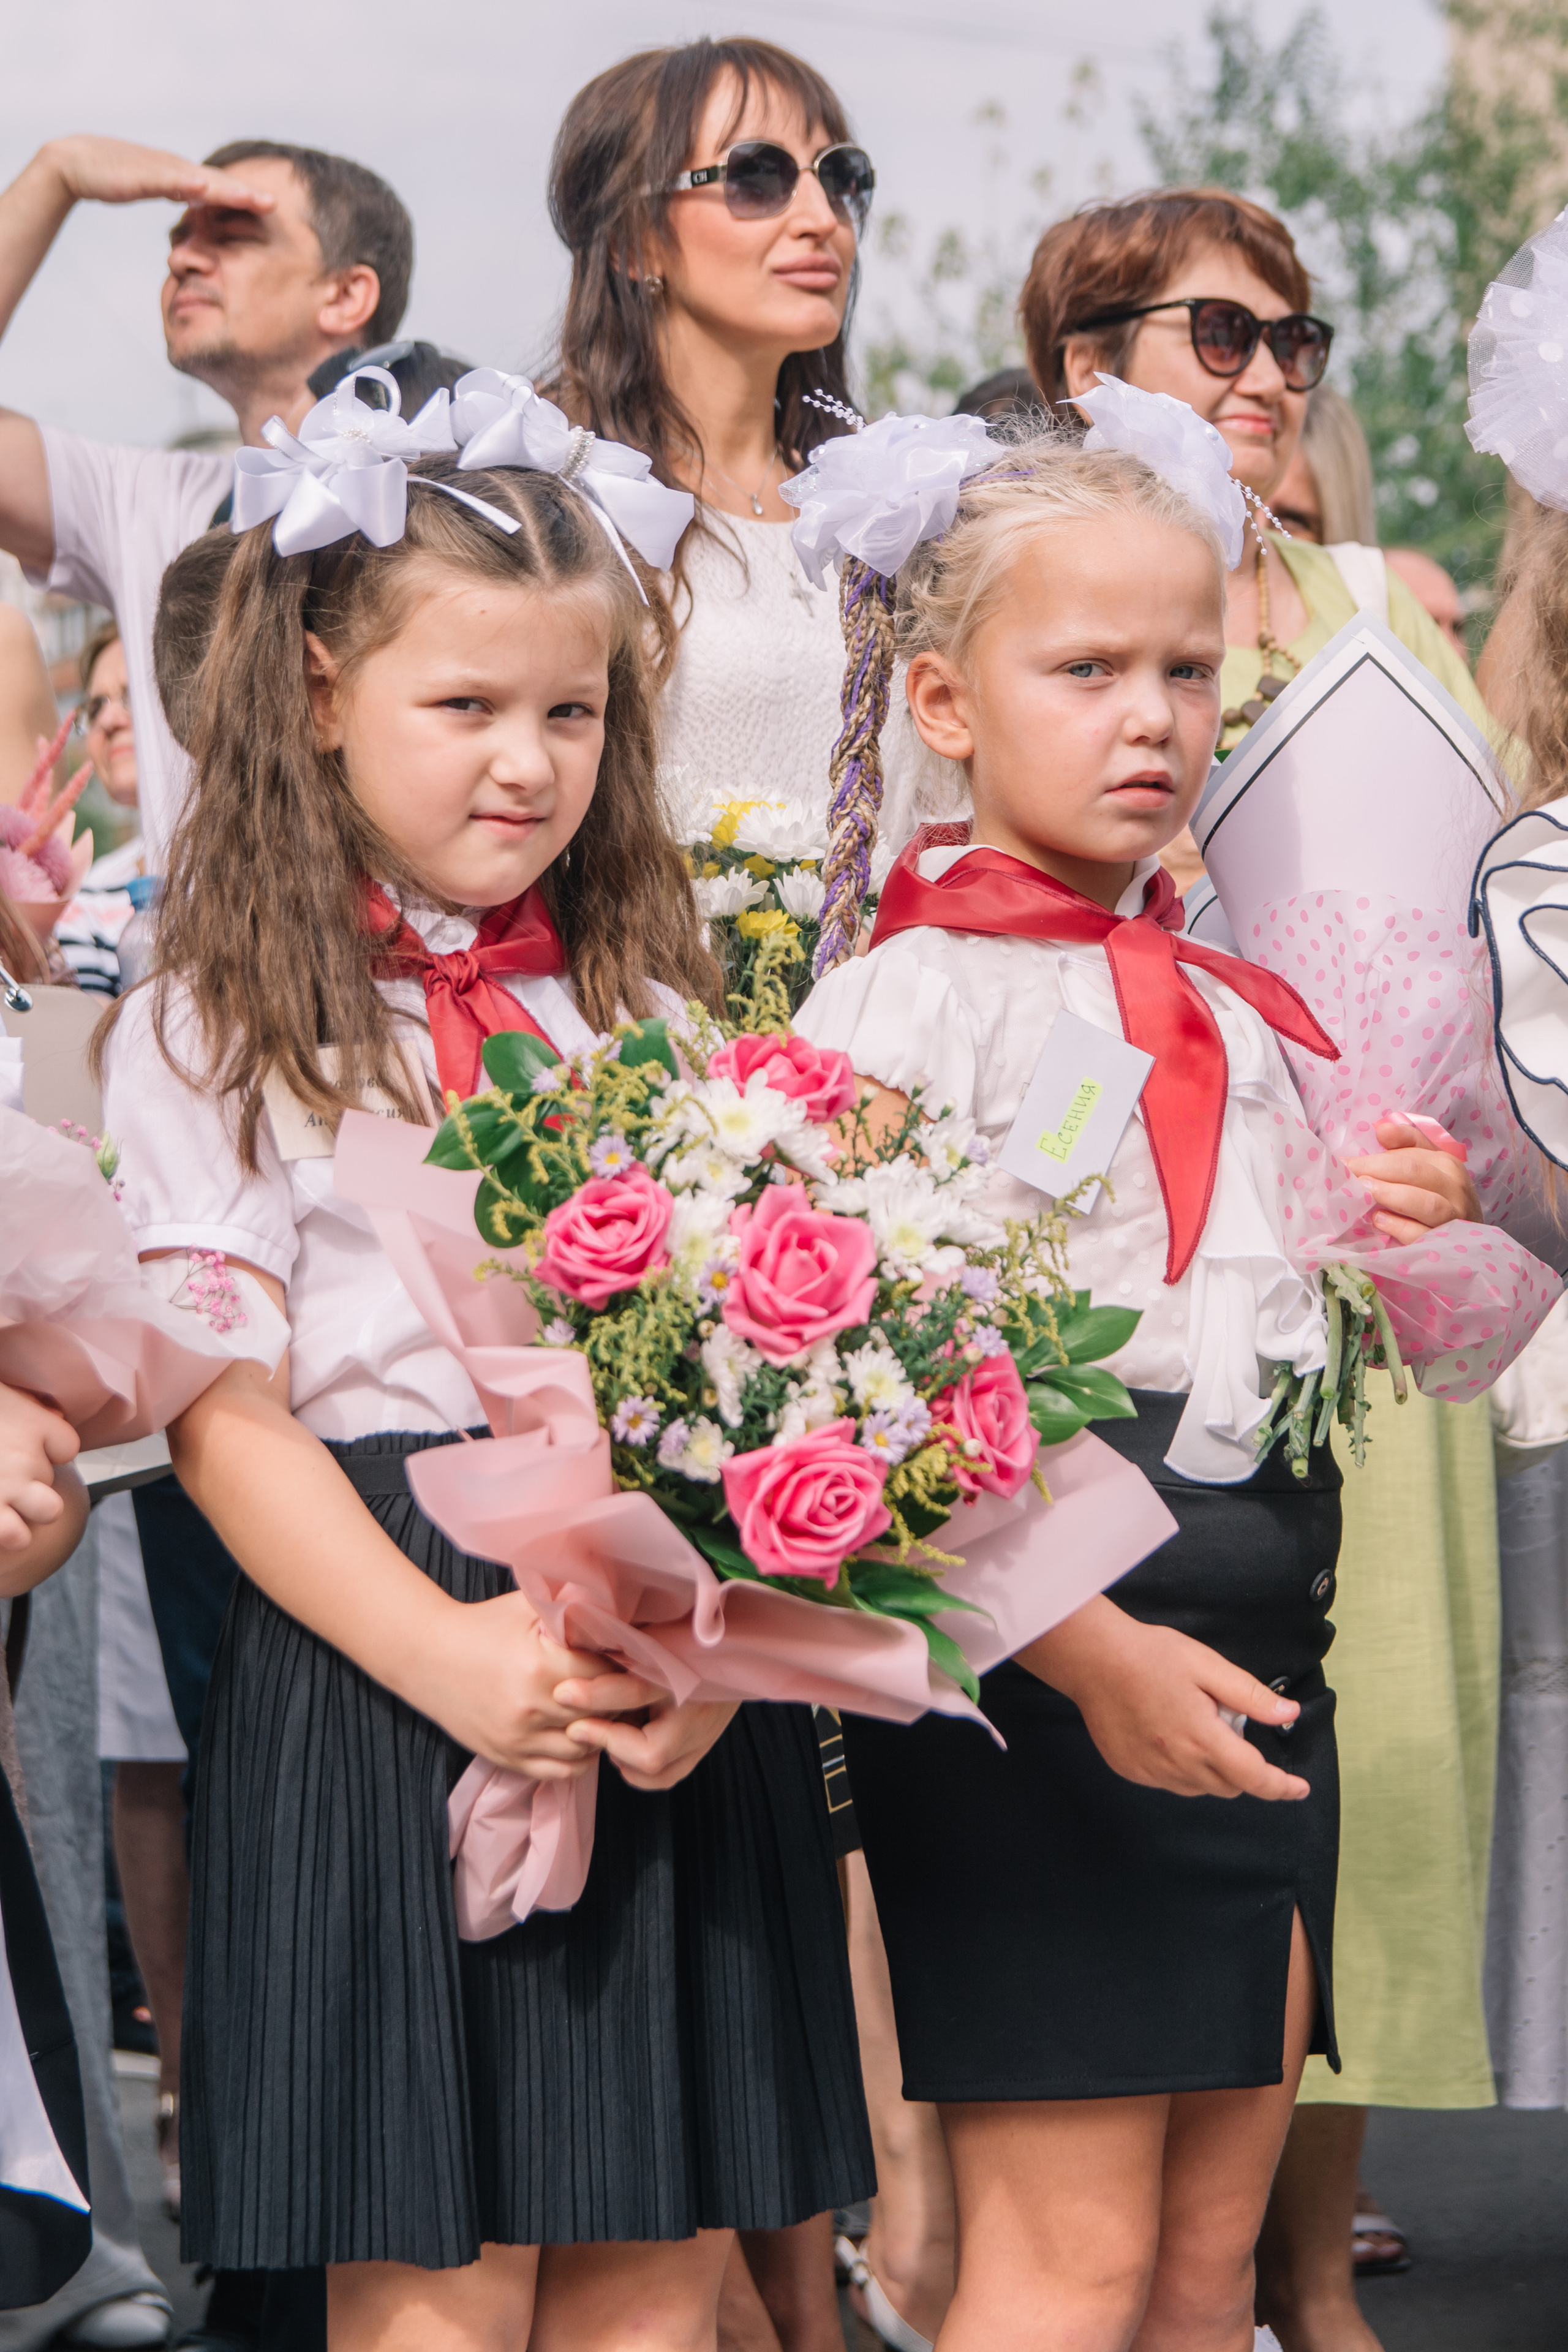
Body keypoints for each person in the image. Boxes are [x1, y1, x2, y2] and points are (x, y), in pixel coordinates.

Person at [97, 421, 873, 2351]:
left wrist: (708, 1665)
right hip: (378, 1640)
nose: (527, 760)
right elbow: (227, 1415)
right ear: (317, 688)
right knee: (434, 2278)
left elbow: (748, 1377)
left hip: (642, 1657)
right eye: (465, 702)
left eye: (574, 709)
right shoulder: (216, 1010)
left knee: (650, 2267)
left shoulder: (643, 1000)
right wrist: (445, 1663)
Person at [790, 412, 1492, 2352]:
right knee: (1068, 2262)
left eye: (1186, 668)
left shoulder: (1228, 987)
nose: (1150, 716)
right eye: (1083, 669)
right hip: (1053, 1665)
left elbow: (1257, 1312)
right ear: (940, 697)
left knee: (1200, 2265)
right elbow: (852, 1387)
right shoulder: (903, 1002)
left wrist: (1394, 1222)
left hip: (1269, 1629)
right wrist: (1085, 1646)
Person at [1022, 193, 1516, 2350]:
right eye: (1215, 331)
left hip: (1365, 1279)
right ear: (1078, 362)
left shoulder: (1373, 607)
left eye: (1299, 338)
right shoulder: (1014, 580)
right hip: (1112, 1295)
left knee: (1367, 1799)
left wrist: (1465, 1151)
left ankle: (1307, 2265)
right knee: (1138, 1809)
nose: (1269, 374)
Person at [0, 134, 413, 866]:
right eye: (179, 237)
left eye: (231, 234)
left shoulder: (449, 496)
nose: (182, 259)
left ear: (347, 293)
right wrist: (54, 176)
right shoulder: (142, 499)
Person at [549, 37, 922, 848]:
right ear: (632, 241)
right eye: (757, 175)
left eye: (841, 177)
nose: (822, 219)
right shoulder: (551, 493)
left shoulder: (892, 510)